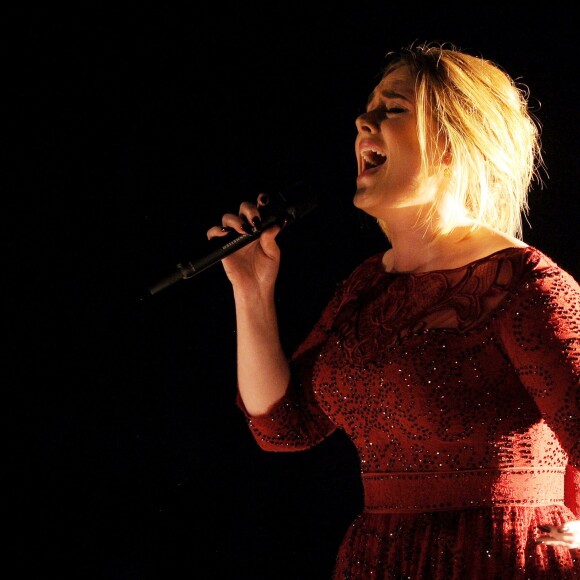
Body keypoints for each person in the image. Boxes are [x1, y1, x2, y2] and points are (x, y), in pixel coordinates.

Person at [206, 41, 580, 578]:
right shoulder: (366, 286)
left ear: (455, 140)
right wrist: (251, 289)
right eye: (368, 106)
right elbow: (284, 428)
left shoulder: (524, 285)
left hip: (493, 558)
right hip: (381, 560)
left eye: (393, 108)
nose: (365, 119)